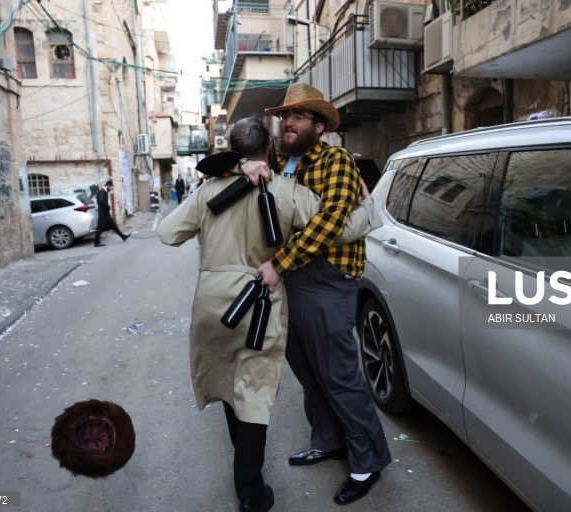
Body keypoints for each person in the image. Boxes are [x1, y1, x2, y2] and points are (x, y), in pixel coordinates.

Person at [158, 117, 379, 512]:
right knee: (253, 395)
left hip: (212, 304)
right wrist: (368, 209)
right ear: (269, 149)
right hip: (258, 301)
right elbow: (339, 229)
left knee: (228, 385)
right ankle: (250, 491)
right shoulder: (285, 190)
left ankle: (249, 475)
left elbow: (167, 233)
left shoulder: (208, 192)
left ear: (231, 150)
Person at [245, 83, 392, 506]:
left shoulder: (337, 161)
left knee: (339, 375)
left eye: (298, 116)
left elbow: (328, 225)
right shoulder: (281, 162)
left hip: (327, 279)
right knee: (309, 372)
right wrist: (247, 166)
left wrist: (278, 265)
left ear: (319, 125)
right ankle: (328, 439)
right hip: (294, 281)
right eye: (284, 116)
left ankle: (367, 461)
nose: (287, 122)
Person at [94, 180, 129, 247]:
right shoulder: (102, 192)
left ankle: (123, 237)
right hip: (103, 214)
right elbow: (101, 201)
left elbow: (100, 200)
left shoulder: (103, 191)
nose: (111, 189)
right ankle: (96, 242)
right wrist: (108, 206)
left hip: (105, 213)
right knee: (99, 228)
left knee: (113, 226)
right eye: (111, 187)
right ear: (108, 185)